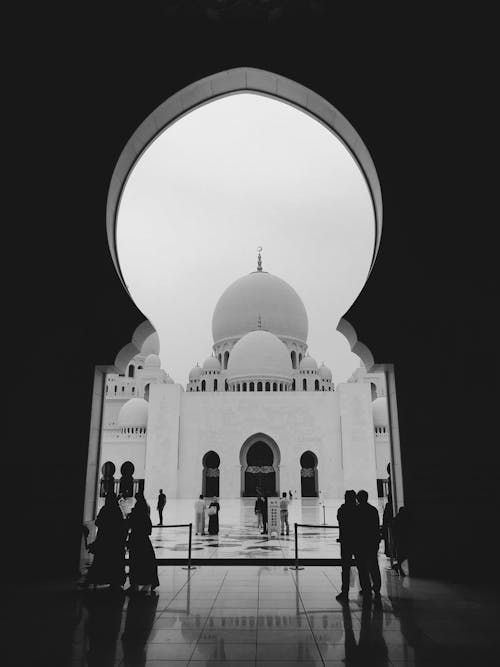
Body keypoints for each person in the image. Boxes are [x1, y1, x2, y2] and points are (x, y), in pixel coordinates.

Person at [86, 493, 127, 590]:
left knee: (101, 560)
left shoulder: (105, 509)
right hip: (114, 541)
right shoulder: (117, 510)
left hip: (104, 539)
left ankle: (98, 578)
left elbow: (98, 522)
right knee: (113, 561)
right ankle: (114, 580)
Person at [126, 494, 159, 594]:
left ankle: (134, 584)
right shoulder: (145, 513)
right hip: (144, 541)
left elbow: (129, 524)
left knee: (135, 562)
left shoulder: (136, 513)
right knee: (147, 562)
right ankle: (151, 581)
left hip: (136, 540)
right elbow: (149, 530)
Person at [356, 489, 382, 600]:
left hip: (361, 543)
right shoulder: (373, 510)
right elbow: (376, 527)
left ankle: (366, 587)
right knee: (373, 566)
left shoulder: (357, 511)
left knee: (362, 567)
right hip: (371, 542)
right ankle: (376, 587)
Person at [335, 490, 360, 602]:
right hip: (358, 541)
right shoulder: (359, 510)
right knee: (362, 566)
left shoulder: (342, 510)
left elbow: (340, 520)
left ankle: (345, 592)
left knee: (345, 568)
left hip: (346, 541)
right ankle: (366, 589)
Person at [391, 506, 409, 576]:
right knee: (405, 555)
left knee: (400, 556)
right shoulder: (406, 519)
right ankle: (400, 568)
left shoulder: (396, 519)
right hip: (405, 539)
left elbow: (393, 530)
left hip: (398, 540)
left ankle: (399, 569)